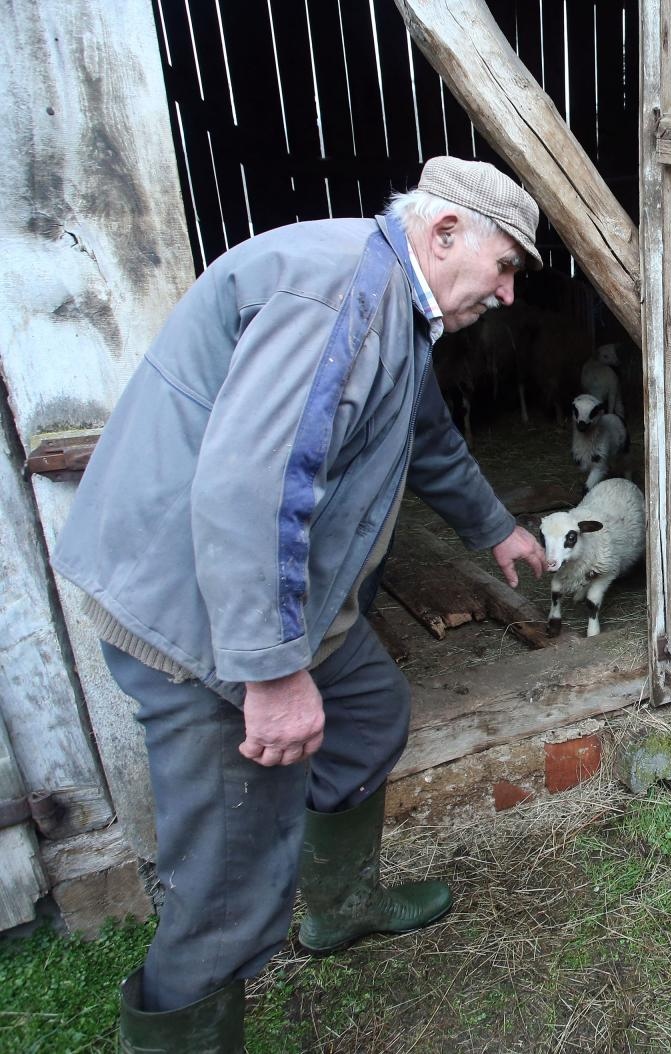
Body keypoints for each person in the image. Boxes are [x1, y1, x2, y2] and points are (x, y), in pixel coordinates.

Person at [52, 156, 550, 1051]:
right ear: (444, 234)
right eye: (507, 265)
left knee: (366, 715)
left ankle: (336, 909)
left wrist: (495, 529)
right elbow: (250, 488)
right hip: (204, 620)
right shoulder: (334, 302)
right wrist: (273, 673)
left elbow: (423, 431)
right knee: (226, 882)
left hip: (277, 609)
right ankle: (188, 1012)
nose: (510, 294)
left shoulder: (390, 301)